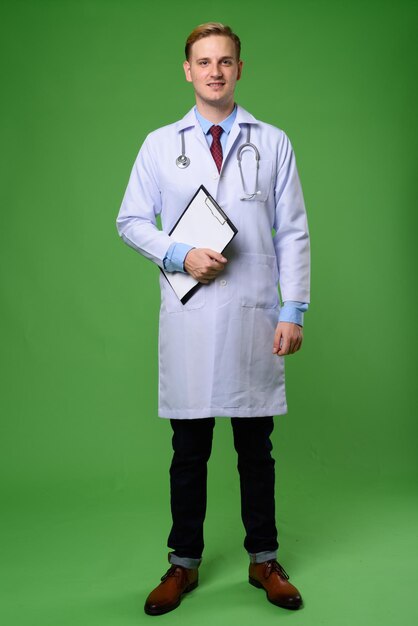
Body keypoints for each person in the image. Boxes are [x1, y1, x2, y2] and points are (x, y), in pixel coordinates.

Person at [116, 22, 310, 616]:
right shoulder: (158, 144)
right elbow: (130, 221)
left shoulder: (271, 141)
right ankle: (183, 565)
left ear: (240, 69)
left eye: (225, 61)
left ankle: (264, 560)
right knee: (189, 449)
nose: (215, 71)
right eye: (204, 61)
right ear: (188, 71)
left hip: (254, 312)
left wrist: (293, 307)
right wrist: (179, 253)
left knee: (256, 448)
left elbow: (294, 228)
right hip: (192, 316)